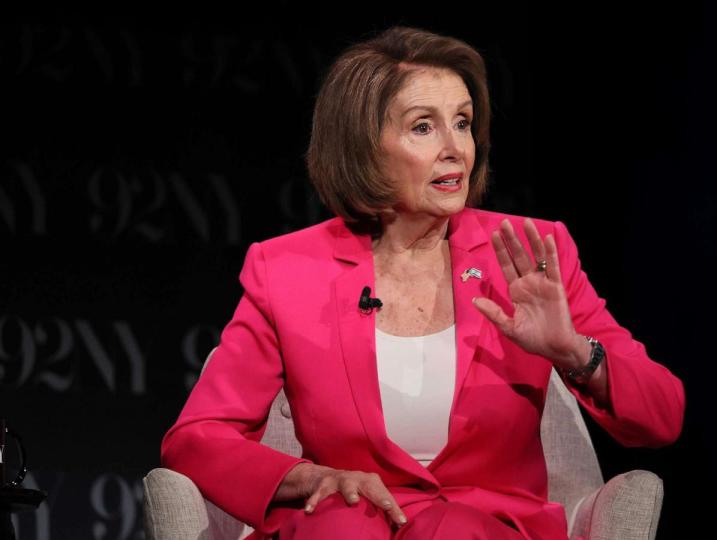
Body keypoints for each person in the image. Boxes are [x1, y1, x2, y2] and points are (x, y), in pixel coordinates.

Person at [160, 26, 685, 540]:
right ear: (363, 146)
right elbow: (198, 438)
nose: (456, 147)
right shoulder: (289, 269)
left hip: (483, 529)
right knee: (344, 520)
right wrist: (308, 478)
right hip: (342, 526)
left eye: (462, 122)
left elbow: (662, 416)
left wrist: (575, 353)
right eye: (423, 127)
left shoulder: (531, 255)